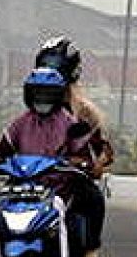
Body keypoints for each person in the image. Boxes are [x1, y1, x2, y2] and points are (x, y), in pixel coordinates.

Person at [0, 66, 107, 257]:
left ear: (58, 96)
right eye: (37, 93)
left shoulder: (69, 123)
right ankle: (8, 250)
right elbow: (3, 150)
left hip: (60, 188)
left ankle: (87, 253)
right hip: (24, 187)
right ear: (29, 95)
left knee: (94, 198)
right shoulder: (20, 124)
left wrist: (81, 163)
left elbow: (82, 153)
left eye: (48, 93)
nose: (42, 98)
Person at [35, 36, 116, 176]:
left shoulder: (85, 113)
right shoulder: (32, 113)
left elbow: (103, 151)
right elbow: (12, 141)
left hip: (70, 183)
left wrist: (94, 164)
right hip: (36, 182)